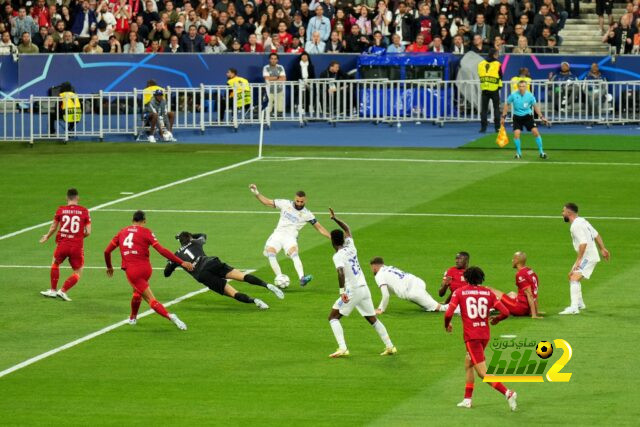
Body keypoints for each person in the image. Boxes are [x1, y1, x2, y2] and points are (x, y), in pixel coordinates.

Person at [104, 210, 193, 328]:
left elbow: (107, 251)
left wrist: (109, 266)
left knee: (151, 300)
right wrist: (181, 262)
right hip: (146, 269)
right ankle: (132, 318)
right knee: (137, 292)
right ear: (144, 221)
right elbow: (162, 250)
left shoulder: (122, 232)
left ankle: (171, 316)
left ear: (132, 221)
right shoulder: (147, 232)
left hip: (133, 271)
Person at [444, 266, 517, 411]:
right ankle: (467, 400)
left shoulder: (460, 292)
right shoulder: (488, 292)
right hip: (484, 335)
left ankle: (508, 393)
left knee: (483, 373)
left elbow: (448, 314)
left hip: (472, 337)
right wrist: (497, 319)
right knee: (468, 364)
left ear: (466, 278)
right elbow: (506, 311)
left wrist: (447, 325)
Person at [327, 209, 396, 358]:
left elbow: (340, 272)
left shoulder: (338, 256)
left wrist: (342, 292)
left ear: (332, 241)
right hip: (364, 289)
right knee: (372, 319)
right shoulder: (351, 246)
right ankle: (390, 346)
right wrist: (335, 218)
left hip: (353, 291)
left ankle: (342, 347)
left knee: (333, 317)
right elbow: (347, 229)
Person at [164, 232, 283, 309]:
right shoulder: (194, 241)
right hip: (211, 262)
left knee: (233, 293)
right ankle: (267, 285)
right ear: (189, 237)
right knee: (242, 276)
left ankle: (256, 301)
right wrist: (191, 236)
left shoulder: (176, 255)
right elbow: (203, 235)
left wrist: (172, 264)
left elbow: (166, 273)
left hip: (202, 275)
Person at [248, 185, 330, 286]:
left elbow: (320, 228)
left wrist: (332, 237)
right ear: (294, 199)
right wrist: (256, 192)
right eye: (297, 201)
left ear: (305, 201)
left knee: (294, 253)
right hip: (277, 235)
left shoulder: (307, 214)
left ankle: (302, 278)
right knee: (271, 253)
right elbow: (267, 202)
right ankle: (280, 277)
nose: (299, 203)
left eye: (302, 202)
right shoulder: (285, 203)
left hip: (290, 238)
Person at [39, 189, 91, 301]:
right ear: (78, 198)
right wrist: (77, 237)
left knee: (55, 263)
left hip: (62, 244)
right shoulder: (84, 211)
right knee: (78, 271)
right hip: (77, 246)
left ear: (66, 198)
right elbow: (88, 231)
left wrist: (47, 236)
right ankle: (62, 291)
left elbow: (53, 227)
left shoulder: (61, 210)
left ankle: (53, 291)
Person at [560, 203, 610, 315]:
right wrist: (602, 248)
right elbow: (596, 234)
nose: (562, 214)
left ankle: (574, 308)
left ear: (569, 213)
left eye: (563, 211)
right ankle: (579, 303)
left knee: (574, 278)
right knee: (571, 276)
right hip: (588, 255)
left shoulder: (575, 226)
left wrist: (579, 260)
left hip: (587, 256)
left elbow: (583, 243)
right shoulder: (583, 221)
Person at [370, 257, 447, 314]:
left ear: (374, 266)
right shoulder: (388, 267)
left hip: (413, 292)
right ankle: (450, 304)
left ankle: (457, 306)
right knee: (430, 306)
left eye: (372, 267)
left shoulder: (379, 275)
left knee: (438, 308)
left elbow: (386, 295)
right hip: (417, 281)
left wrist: (380, 309)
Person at [501, 79, 549, 159]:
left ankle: (541, 152)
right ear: (518, 87)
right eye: (520, 86)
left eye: (523, 86)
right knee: (516, 134)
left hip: (528, 117)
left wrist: (542, 117)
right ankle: (518, 153)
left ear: (526, 87)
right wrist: (503, 117)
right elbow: (507, 104)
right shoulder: (513, 95)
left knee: (536, 132)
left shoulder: (530, 96)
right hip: (517, 117)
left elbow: (535, 107)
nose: (521, 88)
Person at [487, 252, 542, 318]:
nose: (512, 260)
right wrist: (536, 310)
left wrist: (534, 315)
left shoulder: (521, 274)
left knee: (490, 289)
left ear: (517, 260)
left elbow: (529, 294)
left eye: (513, 259)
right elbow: (534, 293)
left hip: (520, 308)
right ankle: (494, 308)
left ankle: (487, 308)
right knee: (512, 294)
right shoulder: (530, 270)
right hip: (527, 308)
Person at [478, 48, 502, 133]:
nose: (498, 56)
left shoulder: (480, 64)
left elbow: (480, 75)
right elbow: (500, 76)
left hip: (484, 89)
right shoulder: (497, 64)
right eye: (497, 54)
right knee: (496, 109)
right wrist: (498, 86)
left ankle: (483, 128)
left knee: (484, 110)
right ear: (494, 54)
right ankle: (497, 128)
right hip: (494, 89)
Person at [262, 53, 287, 117]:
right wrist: (278, 77)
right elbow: (267, 78)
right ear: (269, 60)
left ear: (277, 60)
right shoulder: (266, 67)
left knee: (280, 110)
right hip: (269, 90)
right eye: (272, 59)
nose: (273, 60)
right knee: (268, 110)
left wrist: (272, 79)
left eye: (275, 59)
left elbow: (283, 78)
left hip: (279, 90)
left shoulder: (280, 67)